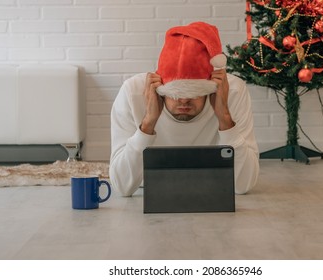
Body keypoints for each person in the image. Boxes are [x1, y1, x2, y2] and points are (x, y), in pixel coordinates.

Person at [110, 22, 259, 197]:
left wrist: (225, 118)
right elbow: (122, 186)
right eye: (174, 93)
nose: (184, 100)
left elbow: (243, 185)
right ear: (160, 87)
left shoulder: (231, 91)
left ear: (210, 87)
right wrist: (148, 123)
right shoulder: (133, 92)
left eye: (195, 92)